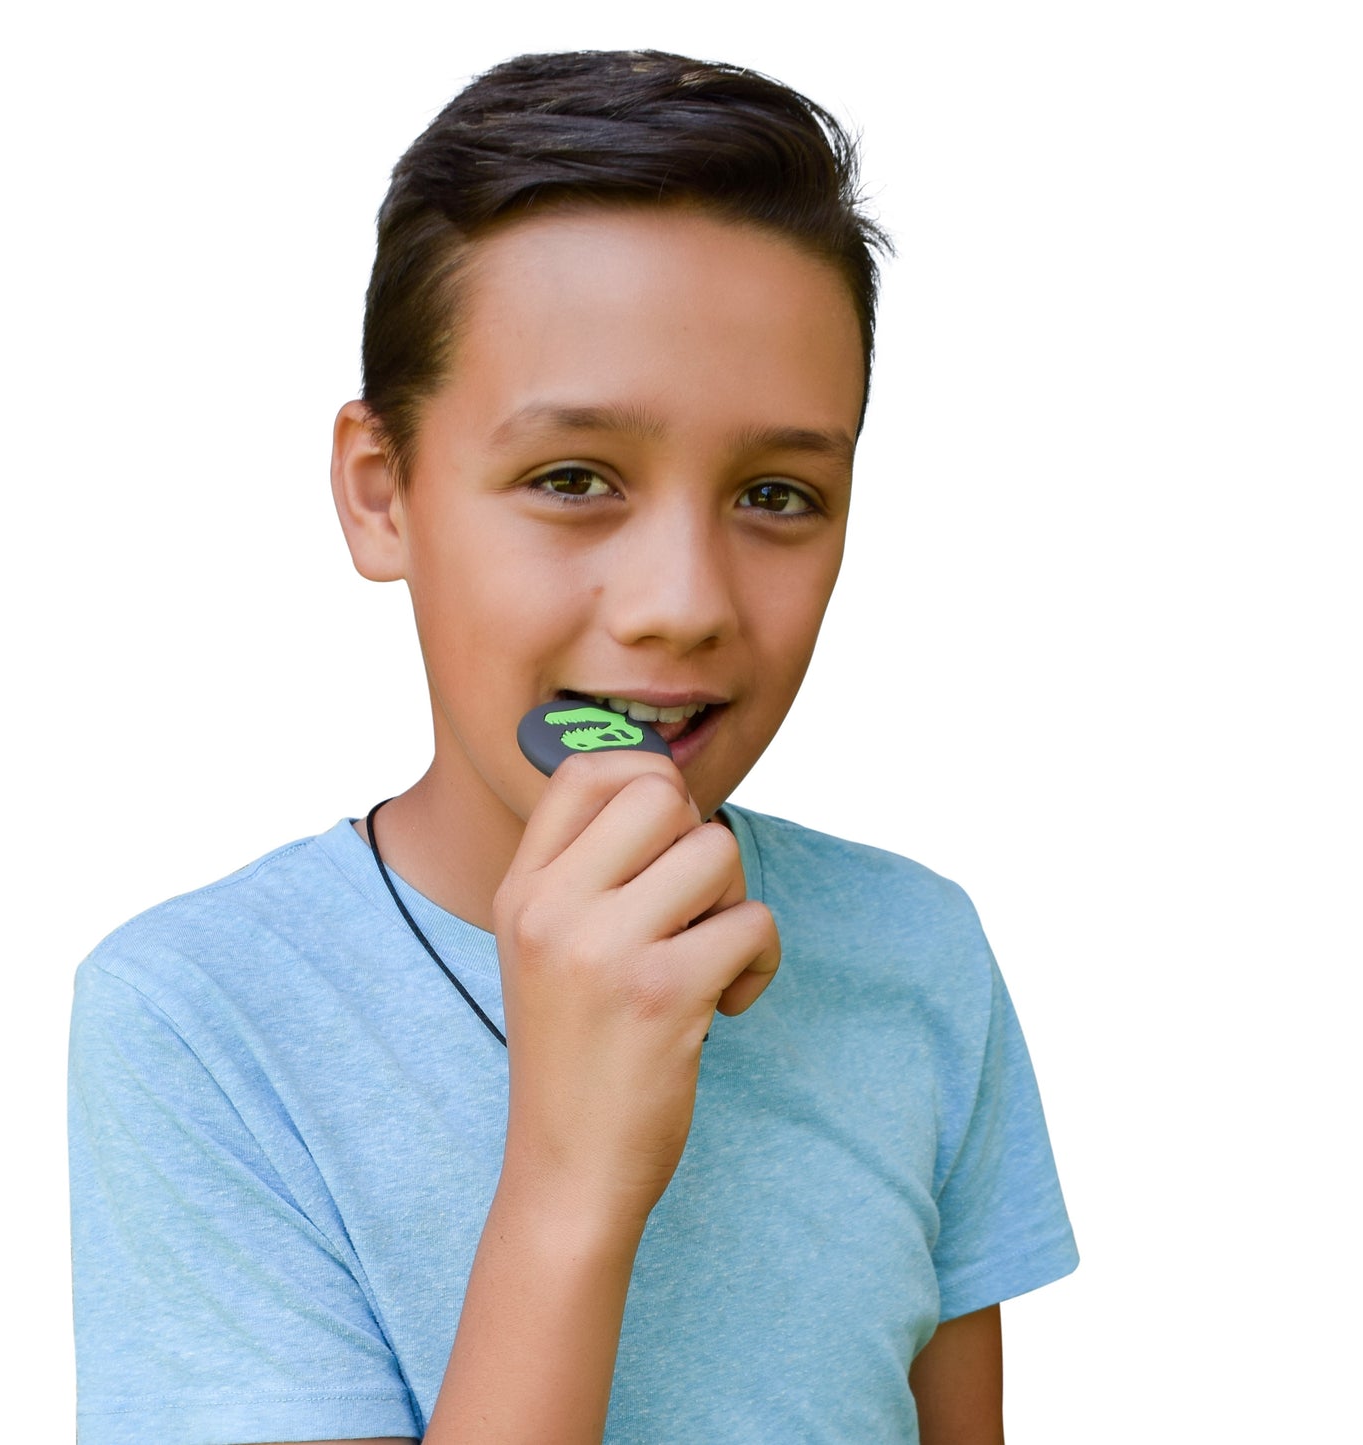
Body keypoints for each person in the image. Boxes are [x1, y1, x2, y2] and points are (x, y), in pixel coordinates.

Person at [69, 49, 1077, 1445]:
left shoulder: (914, 955)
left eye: (777, 493)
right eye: (571, 479)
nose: (682, 604)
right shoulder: (200, 1017)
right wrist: (569, 1177)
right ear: (382, 493)